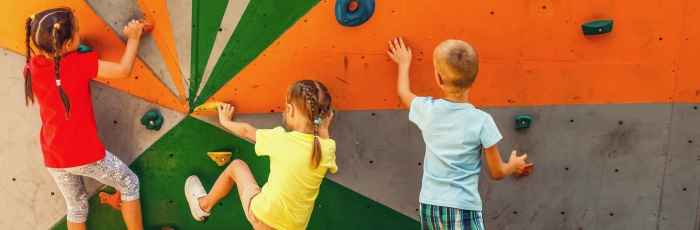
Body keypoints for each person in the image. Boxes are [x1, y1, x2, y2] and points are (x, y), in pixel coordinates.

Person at [387, 37, 533, 230]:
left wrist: (404, 63)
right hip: (463, 207)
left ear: (439, 79)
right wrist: (512, 165)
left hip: (430, 205)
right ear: (474, 79)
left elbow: (403, 93)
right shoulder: (483, 121)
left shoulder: (427, 110)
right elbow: (497, 172)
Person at [23, 7, 145, 230]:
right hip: (84, 155)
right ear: (68, 44)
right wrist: (134, 38)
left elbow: (59, 65)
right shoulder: (79, 64)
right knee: (130, 183)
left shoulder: (31, 68)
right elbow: (124, 70)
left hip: (54, 156)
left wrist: (74, 49)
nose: (80, 36)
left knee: (77, 207)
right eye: (77, 33)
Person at [185, 80, 338, 229]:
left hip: (263, 216)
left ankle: (203, 205)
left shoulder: (281, 139)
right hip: (294, 227)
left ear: (291, 111)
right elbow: (330, 162)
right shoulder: (327, 148)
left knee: (237, 166)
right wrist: (323, 131)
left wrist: (225, 121)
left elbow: (246, 130)